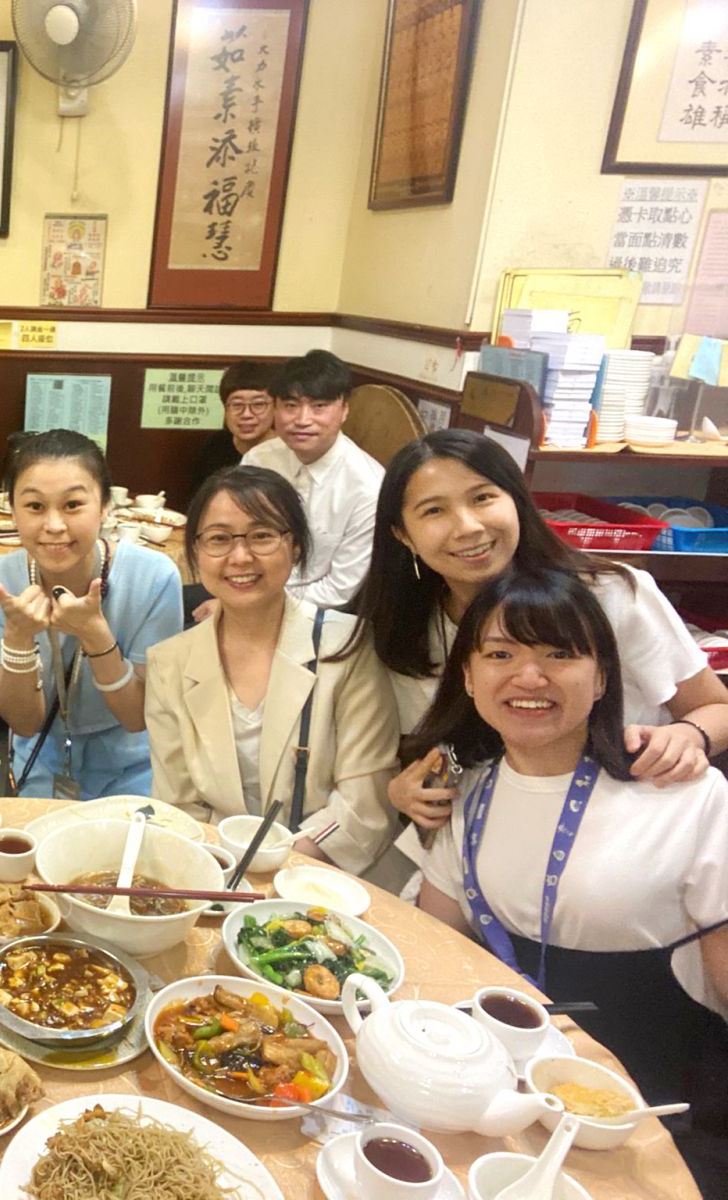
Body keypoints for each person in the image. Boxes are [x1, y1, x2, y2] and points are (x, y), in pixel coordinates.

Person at [412, 569, 727, 1149]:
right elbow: (434, 949)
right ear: (468, 676)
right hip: (500, 1104)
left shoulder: (687, 796)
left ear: (603, 677)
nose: (529, 676)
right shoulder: (468, 792)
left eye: (559, 654)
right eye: (500, 654)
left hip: (647, 1120)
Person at [338, 429, 728, 842]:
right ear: (402, 534)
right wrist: (403, 789)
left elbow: (717, 707)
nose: (468, 527)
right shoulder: (404, 626)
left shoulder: (610, 595)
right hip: (487, 837)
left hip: (624, 830)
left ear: (518, 501)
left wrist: (690, 736)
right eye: (434, 510)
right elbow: (436, 750)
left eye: (482, 498)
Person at [145, 467, 400, 873]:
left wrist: (272, 867)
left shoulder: (347, 647)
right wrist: (222, 872)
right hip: (215, 870)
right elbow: (178, 805)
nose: (240, 556)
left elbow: (363, 802)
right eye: (219, 539)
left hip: (318, 874)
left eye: (261, 536)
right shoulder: (169, 662)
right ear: (196, 552)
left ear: (295, 546)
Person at [0, 430, 182, 799]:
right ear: (12, 510)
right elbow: (24, 723)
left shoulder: (154, 577)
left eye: (72, 505)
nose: (54, 525)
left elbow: (136, 718)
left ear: (104, 507)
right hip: (42, 755)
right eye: (35, 506)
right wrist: (18, 638)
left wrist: (96, 637)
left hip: (133, 761)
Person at [239, 349, 382, 608]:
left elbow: (338, 590)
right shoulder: (258, 460)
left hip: (313, 612)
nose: (303, 420)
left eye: (319, 406)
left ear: (344, 410)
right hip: (242, 584)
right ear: (275, 408)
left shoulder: (368, 487)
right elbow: (234, 533)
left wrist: (255, 603)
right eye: (291, 406)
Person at [187, 360, 277, 497]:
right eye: (237, 405)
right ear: (225, 409)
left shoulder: (288, 450)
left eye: (258, 404)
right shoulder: (217, 444)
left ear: (275, 407)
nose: (246, 414)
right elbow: (199, 499)